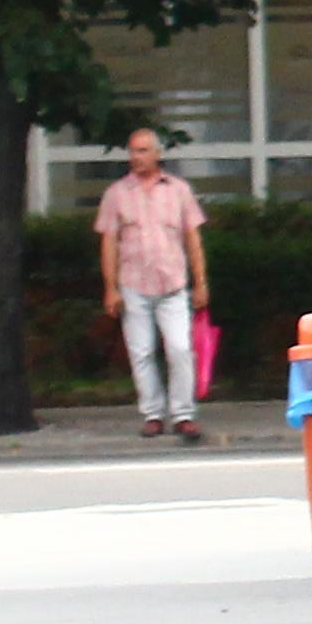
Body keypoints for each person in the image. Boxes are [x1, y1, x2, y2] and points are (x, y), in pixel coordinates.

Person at [95, 125, 211, 442]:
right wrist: (111, 287)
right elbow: (109, 242)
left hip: (173, 285)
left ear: (158, 154)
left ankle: (183, 414)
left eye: (143, 150)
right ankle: (153, 414)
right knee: (142, 352)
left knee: (180, 349)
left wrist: (200, 283)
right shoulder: (117, 194)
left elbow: (192, 237)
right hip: (133, 285)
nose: (137, 157)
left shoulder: (178, 190)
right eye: (133, 151)